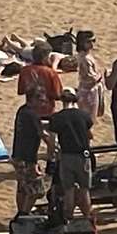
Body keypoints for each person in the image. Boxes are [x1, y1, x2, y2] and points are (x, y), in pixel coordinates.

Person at [48, 88, 94, 227]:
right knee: (85, 189)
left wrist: (52, 155)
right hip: (83, 156)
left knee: (69, 190)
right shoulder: (84, 115)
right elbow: (90, 135)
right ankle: (87, 218)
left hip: (67, 156)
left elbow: (52, 140)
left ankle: (69, 218)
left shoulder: (57, 117)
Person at [9, 96, 44, 216]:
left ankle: (21, 212)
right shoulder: (31, 114)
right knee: (36, 189)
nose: (42, 102)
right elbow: (40, 134)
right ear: (32, 99)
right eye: (40, 99)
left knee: (22, 187)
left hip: (18, 155)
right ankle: (24, 212)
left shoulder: (22, 111)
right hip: (27, 158)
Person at [17, 39, 62, 122]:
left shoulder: (25, 71)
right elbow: (57, 95)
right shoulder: (51, 73)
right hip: (47, 110)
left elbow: (21, 91)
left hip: (31, 110)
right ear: (45, 57)